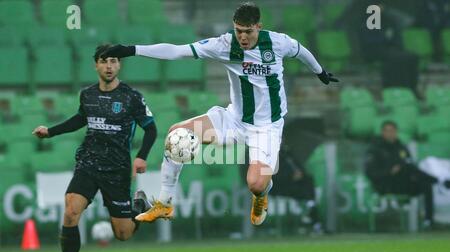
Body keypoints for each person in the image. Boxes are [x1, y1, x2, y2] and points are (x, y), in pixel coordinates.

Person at [101, 2, 338, 226]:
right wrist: (131, 50)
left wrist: (320, 72)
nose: (242, 37)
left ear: (258, 26)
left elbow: (301, 51)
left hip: (267, 127)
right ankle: (164, 203)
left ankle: (261, 195)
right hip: (233, 119)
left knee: (255, 184)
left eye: (247, 31)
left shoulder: (278, 43)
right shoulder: (224, 45)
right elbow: (176, 51)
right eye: (238, 31)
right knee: (177, 134)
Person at [32, 44, 157, 252]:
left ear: (119, 65)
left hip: (117, 168)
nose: (109, 66)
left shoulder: (132, 96)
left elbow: (150, 128)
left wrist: (141, 156)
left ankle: (140, 206)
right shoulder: (87, 94)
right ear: (96, 65)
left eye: (113, 61)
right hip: (88, 162)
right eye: (104, 61)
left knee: (123, 234)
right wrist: (51, 132)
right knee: (70, 211)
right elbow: (80, 119)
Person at [364, 121, 450, 228]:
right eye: (387, 131)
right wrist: (389, 172)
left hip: (401, 182)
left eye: (392, 131)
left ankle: (429, 220)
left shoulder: (401, 147)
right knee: (408, 168)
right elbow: (370, 172)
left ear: (396, 132)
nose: (390, 133)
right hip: (384, 185)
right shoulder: (375, 149)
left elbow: (410, 165)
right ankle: (438, 180)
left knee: (424, 184)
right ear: (383, 132)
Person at [272, 144, 323, 234]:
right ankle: (310, 211)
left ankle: (310, 209)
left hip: (297, 184)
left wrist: (300, 174)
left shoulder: (288, 154)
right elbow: (271, 176)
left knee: (308, 181)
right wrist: (291, 177)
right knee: (306, 193)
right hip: (281, 186)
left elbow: (300, 168)